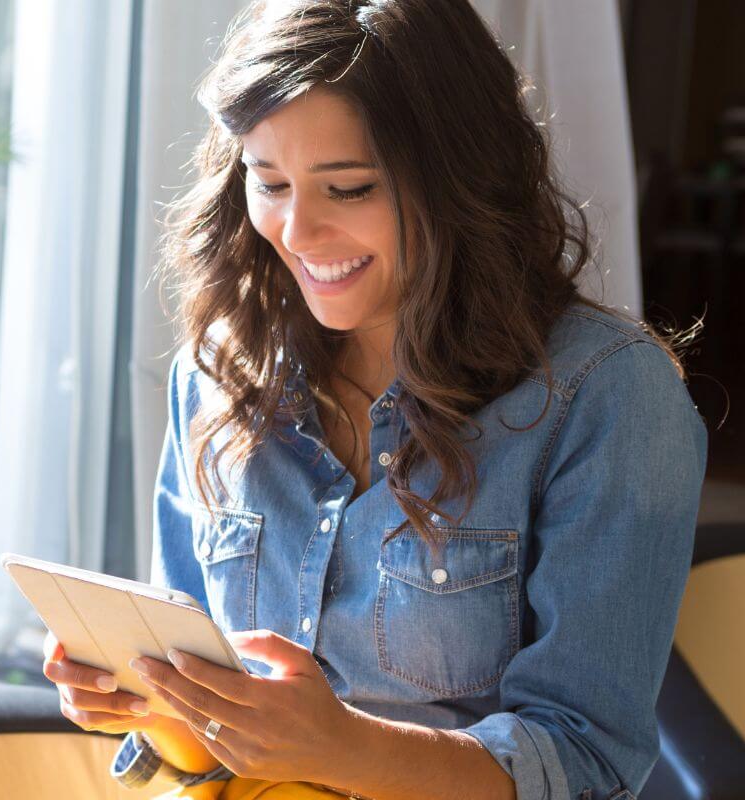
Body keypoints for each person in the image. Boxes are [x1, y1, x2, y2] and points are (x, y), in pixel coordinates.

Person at [42, 1, 707, 798]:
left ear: (459, 176)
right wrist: (152, 703)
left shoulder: (608, 398)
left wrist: (342, 747)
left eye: (349, 188)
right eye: (268, 181)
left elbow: (586, 764)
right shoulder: (220, 371)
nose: (296, 231)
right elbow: (213, 742)